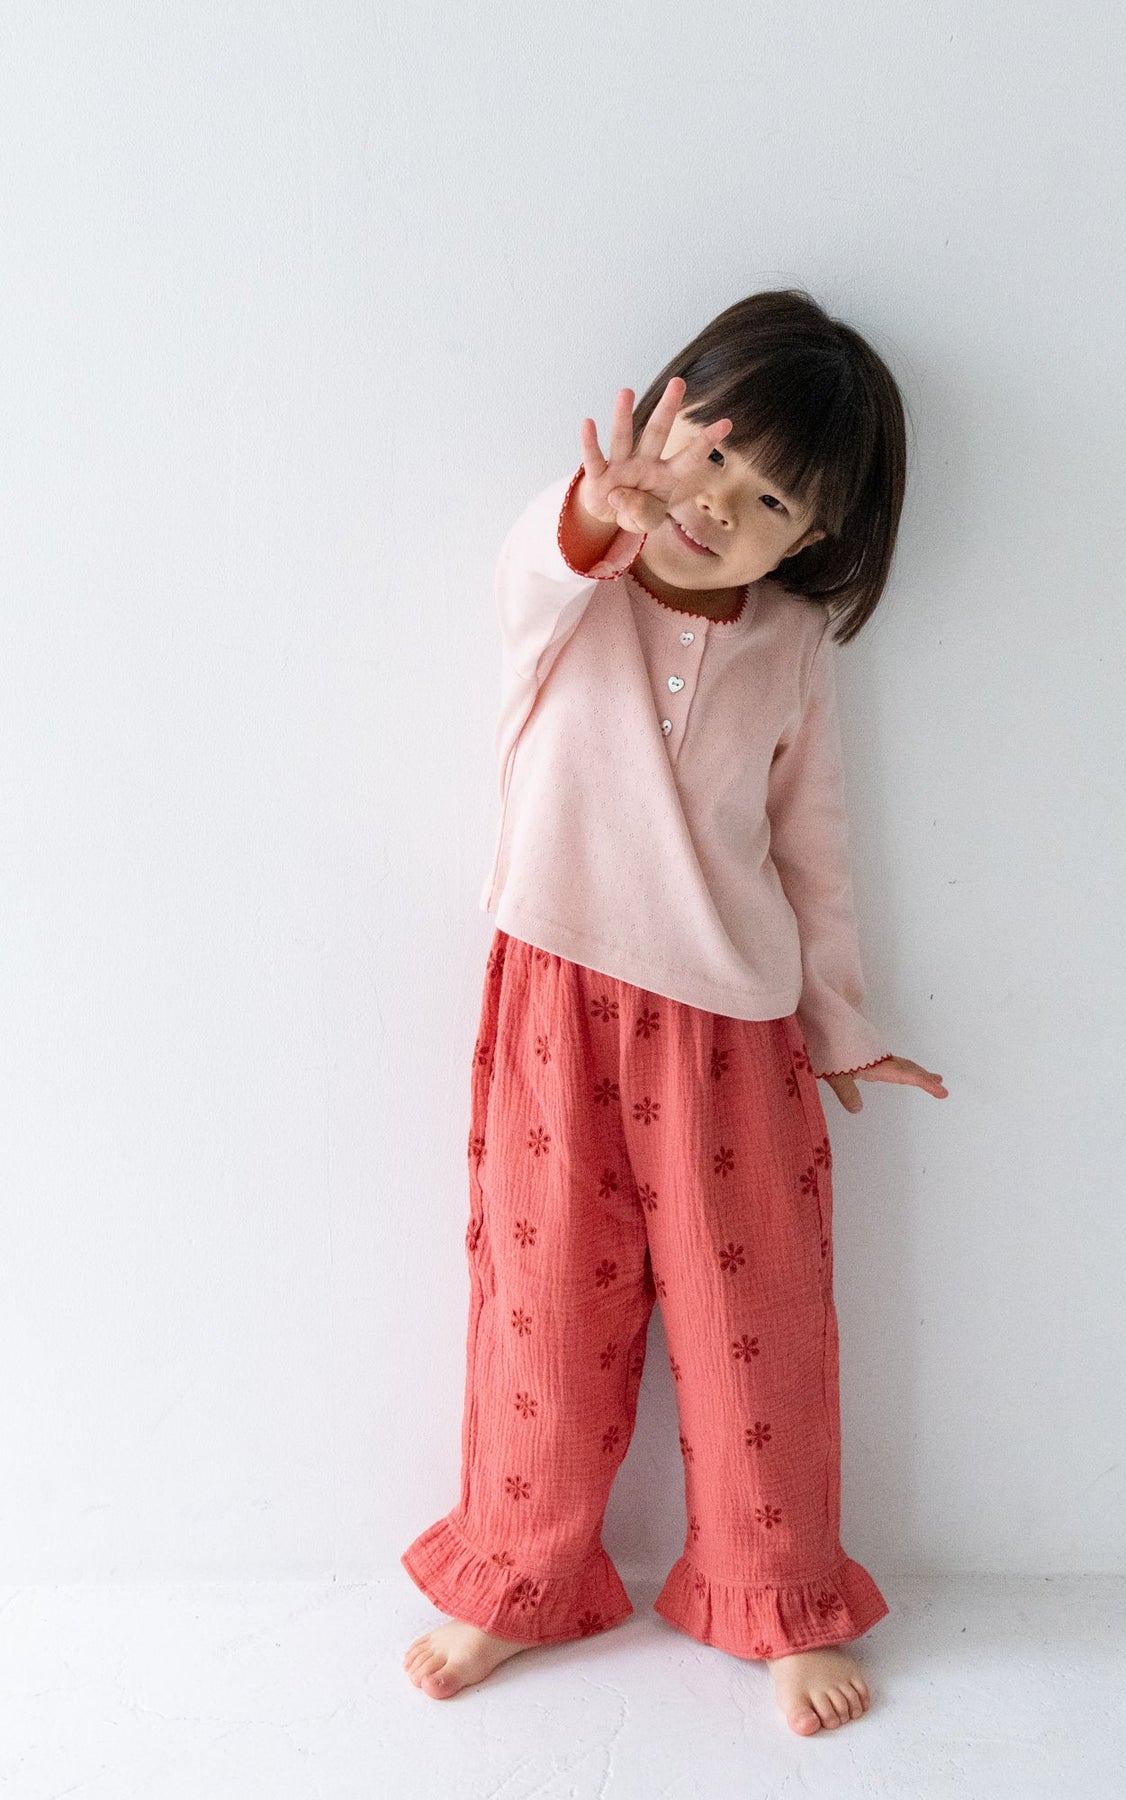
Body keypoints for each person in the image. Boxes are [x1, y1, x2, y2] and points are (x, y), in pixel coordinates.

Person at [401, 289, 948, 1736]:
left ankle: (777, 1595)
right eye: (712, 459)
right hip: (554, 1003)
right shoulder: (574, 583)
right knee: (543, 1310)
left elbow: (814, 854)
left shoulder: (792, 648)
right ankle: (514, 1578)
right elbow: (542, 559)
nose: (719, 508)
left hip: (733, 1031)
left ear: (813, 540)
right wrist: (600, 508)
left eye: (771, 502)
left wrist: (840, 1025)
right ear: (659, 423)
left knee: (754, 1327)